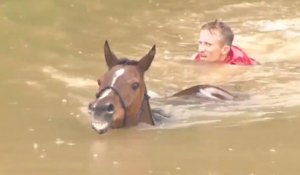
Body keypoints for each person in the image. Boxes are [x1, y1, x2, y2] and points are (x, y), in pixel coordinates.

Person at [192, 20, 258, 65]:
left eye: (208, 44)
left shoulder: (237, 64)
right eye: (200, 43)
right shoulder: (200, 56)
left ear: (224, 50)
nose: (201, 50)